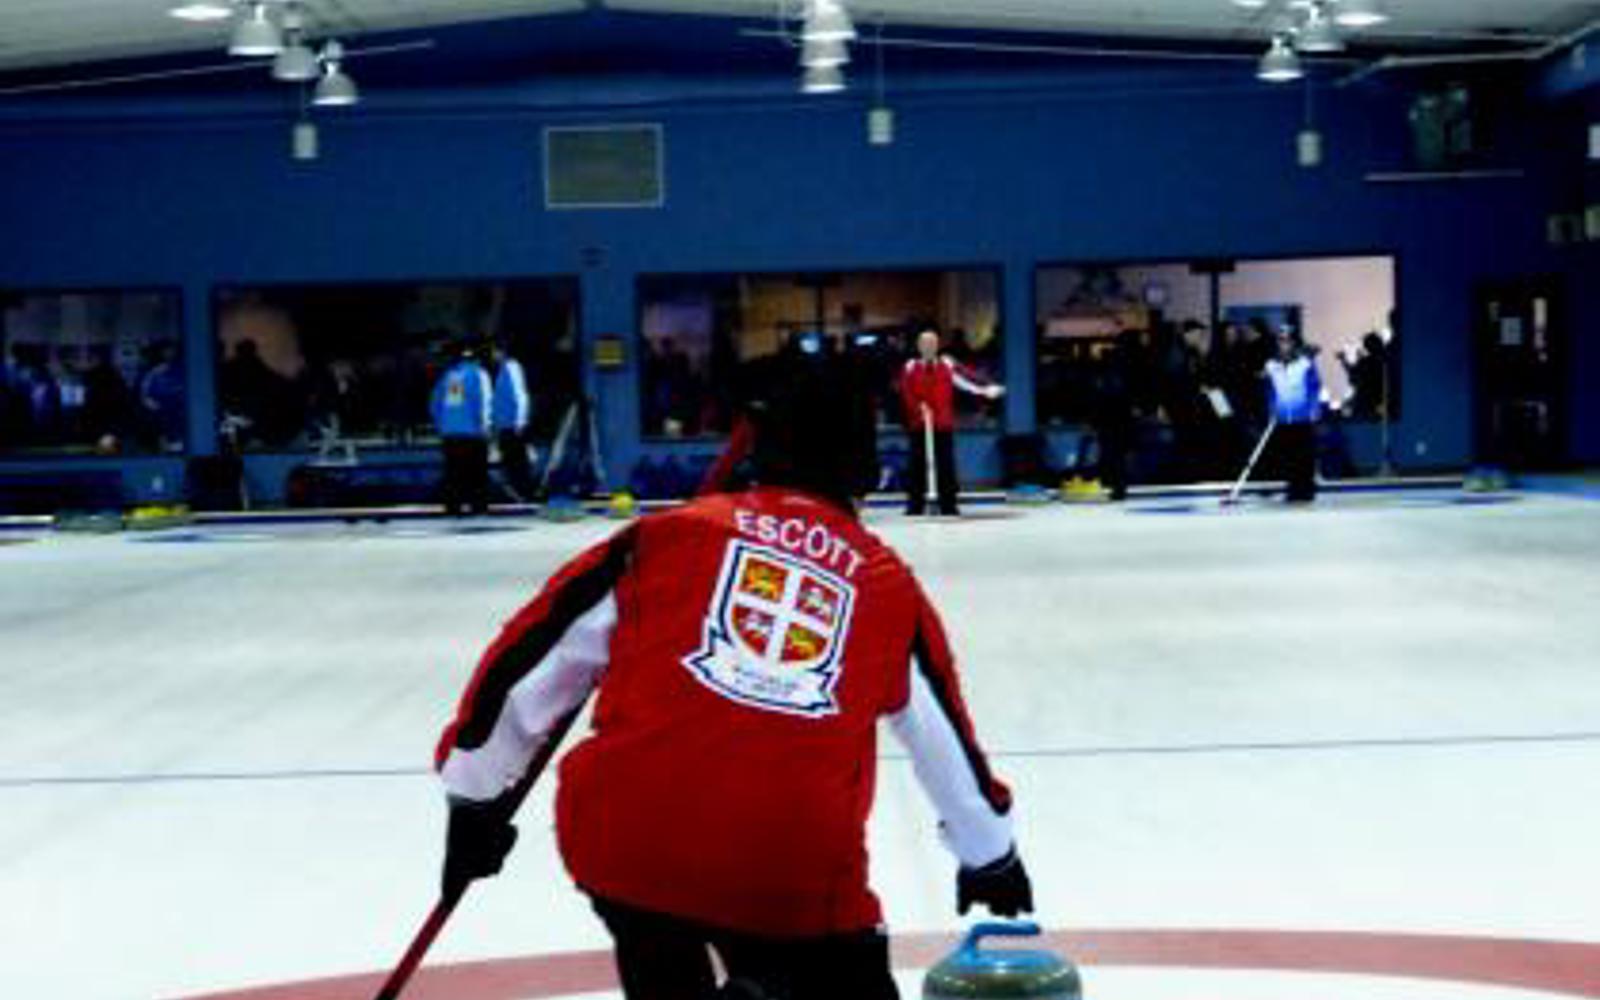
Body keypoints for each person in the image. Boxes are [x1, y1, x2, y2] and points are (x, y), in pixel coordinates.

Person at [433, 354, 1032, 1000]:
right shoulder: (887, 588)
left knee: (651, 925)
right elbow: (943, 742)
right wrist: (989, 853)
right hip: (789, 870)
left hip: (625, 843)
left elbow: (528, 663)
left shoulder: (659, 540)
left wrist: (474, 798)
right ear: (867, 468)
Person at [898, 328, 1004, 516]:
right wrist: (918, 409)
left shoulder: (947, 364)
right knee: (917, 466)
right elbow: (906, 392)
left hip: (942, 424)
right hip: (919, 424)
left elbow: (969, 379)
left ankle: (949, 505)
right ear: (919, 346)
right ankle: (914, 506)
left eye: (932, 343)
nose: (929, 347)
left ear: (937, 345)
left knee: (945, 465)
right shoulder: (910, 366)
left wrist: (987, 388)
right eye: (925, 343)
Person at [430, 341, 492, 515]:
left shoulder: (450, 376)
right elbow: (482, 403)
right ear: (477, 360)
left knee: (453, 472)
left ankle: (453, 506)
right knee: (477, 472)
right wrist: (484, 426)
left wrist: (441, 425)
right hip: (473, 433)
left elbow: (435, 404)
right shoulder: (479, 375)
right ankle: (478, 506)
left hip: (451, 433)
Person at [1263, 328, 1322, 503]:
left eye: (1287, 340)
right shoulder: (1271, 365)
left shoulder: (1305, 363)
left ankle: (1306, 490)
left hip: (1302, 417)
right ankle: (1293, 489)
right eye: (1281, 340)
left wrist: (1314, 407)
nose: (1284, 344)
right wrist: (1271, 409)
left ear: (1294, 343)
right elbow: (1270, 391)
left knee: (1304, 455)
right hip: (1282, 418)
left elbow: (1314, 386)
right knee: (1287, 456)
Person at [491, 343, 536, 502]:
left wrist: (520, 420)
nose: (492, 355)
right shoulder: (503, 369)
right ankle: (519, 493)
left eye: (494, 351)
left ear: (501, 351)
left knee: (517, 462)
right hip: (505, 425)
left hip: (513, 426)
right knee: (511, 462)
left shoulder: (511, 368)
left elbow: (520, 395)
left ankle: (524, 492)